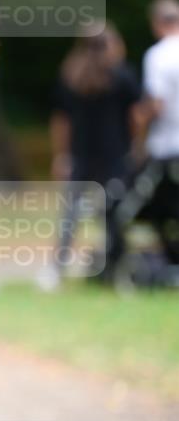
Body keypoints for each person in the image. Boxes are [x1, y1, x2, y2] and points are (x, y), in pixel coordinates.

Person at [47, 23, 141, 285]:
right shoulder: (122, 75)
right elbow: (135, 116)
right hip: (115, 156)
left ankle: (56, 269)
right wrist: (137, 145)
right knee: (113, 212)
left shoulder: (70, 75)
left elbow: (61, 120)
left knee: (70, 216)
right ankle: (114, 266)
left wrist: (62, 154)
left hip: (81, 155)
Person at [108, 0, 179, 277]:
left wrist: (139, 121)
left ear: (156, 23)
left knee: (154, 207)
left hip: (167, 149)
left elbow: (157, 104)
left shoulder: (159, 55)